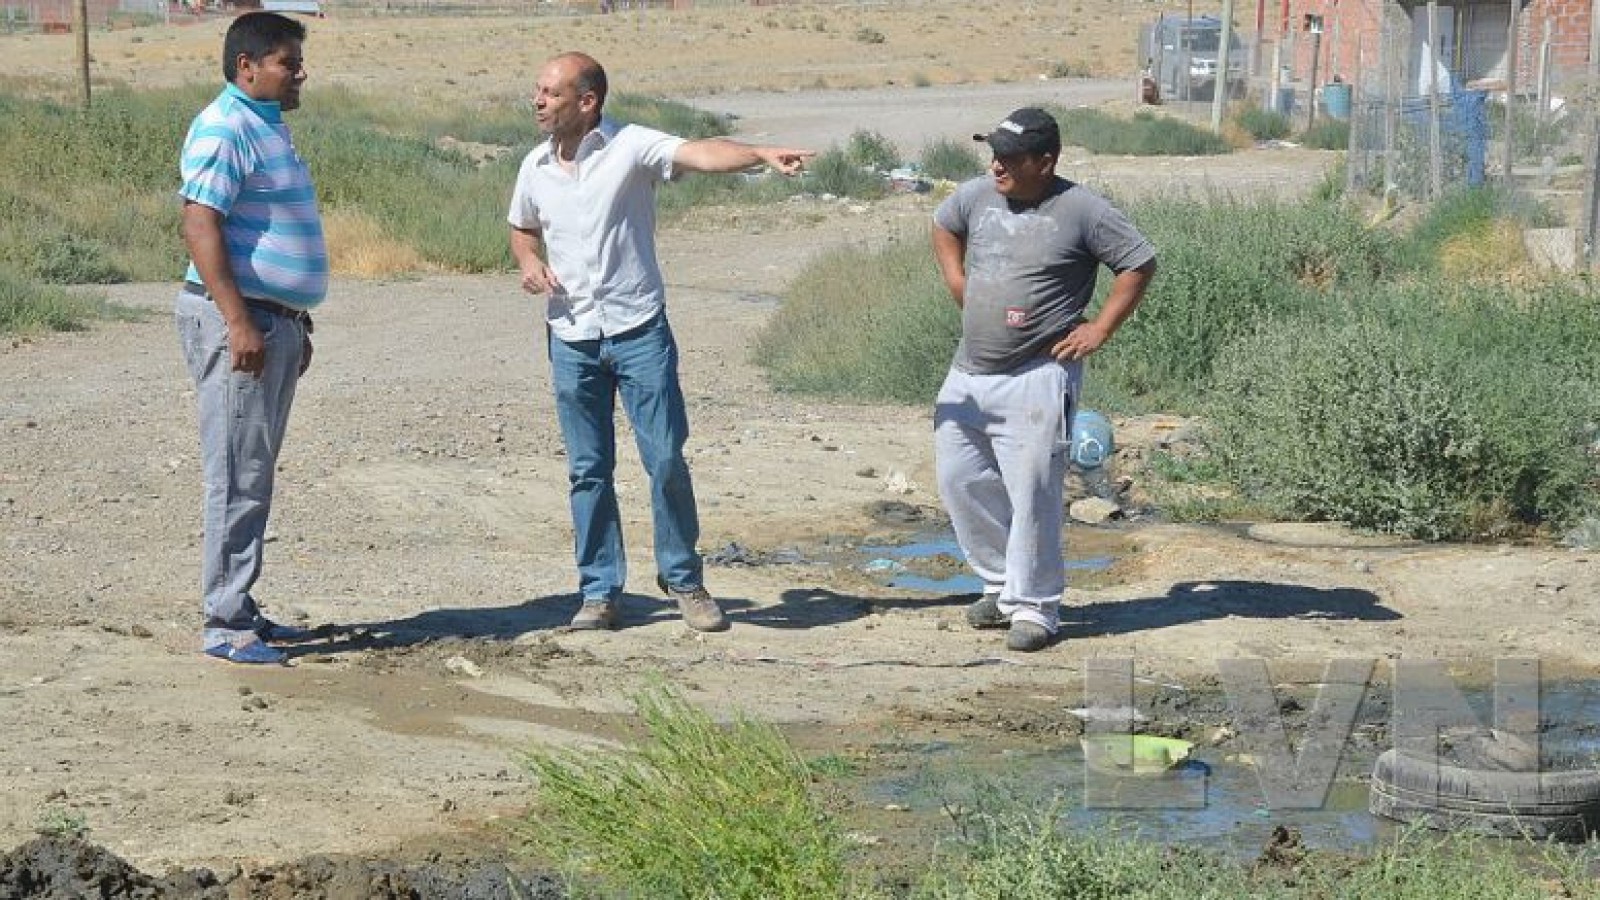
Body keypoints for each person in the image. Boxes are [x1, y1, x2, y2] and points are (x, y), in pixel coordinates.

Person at [508, 52, 812, 633]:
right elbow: (522, 226)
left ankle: (685, 581)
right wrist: (529, 261)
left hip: (638, 331)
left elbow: (697, 153)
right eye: (537, 91)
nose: (538, 101)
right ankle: (599, 592)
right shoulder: (534, 166)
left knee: (666, 457)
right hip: (571, 336)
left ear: (588, 100)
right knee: (588, 469)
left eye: (550, 92)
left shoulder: (631, 146)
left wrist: (759, 155)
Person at [930, 108, 1156, 652]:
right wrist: (958, 281)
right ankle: (1001, 585)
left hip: (1038, 373)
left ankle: (1036, 609)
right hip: (969, 371)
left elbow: (1139, 263)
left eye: (1009, 158)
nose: (996, 166)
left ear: (1045, 161)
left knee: (1033, 493)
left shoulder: (1082, 210)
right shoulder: (977, 195)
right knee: (961, 481)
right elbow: (944, 224)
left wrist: (1100, 327)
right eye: (994, 154)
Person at [176, 11, 327, 665]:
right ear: (249, 67)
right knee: (236, 473)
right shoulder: (225, 125)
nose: (299, 73)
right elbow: (199, 222)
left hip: (273, 321)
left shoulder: (267, 125)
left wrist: (295, 318)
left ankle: (242, 607)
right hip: (238, 321)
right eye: (288, 63)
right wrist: (239, 319)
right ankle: (225, 621)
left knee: (255, 472)